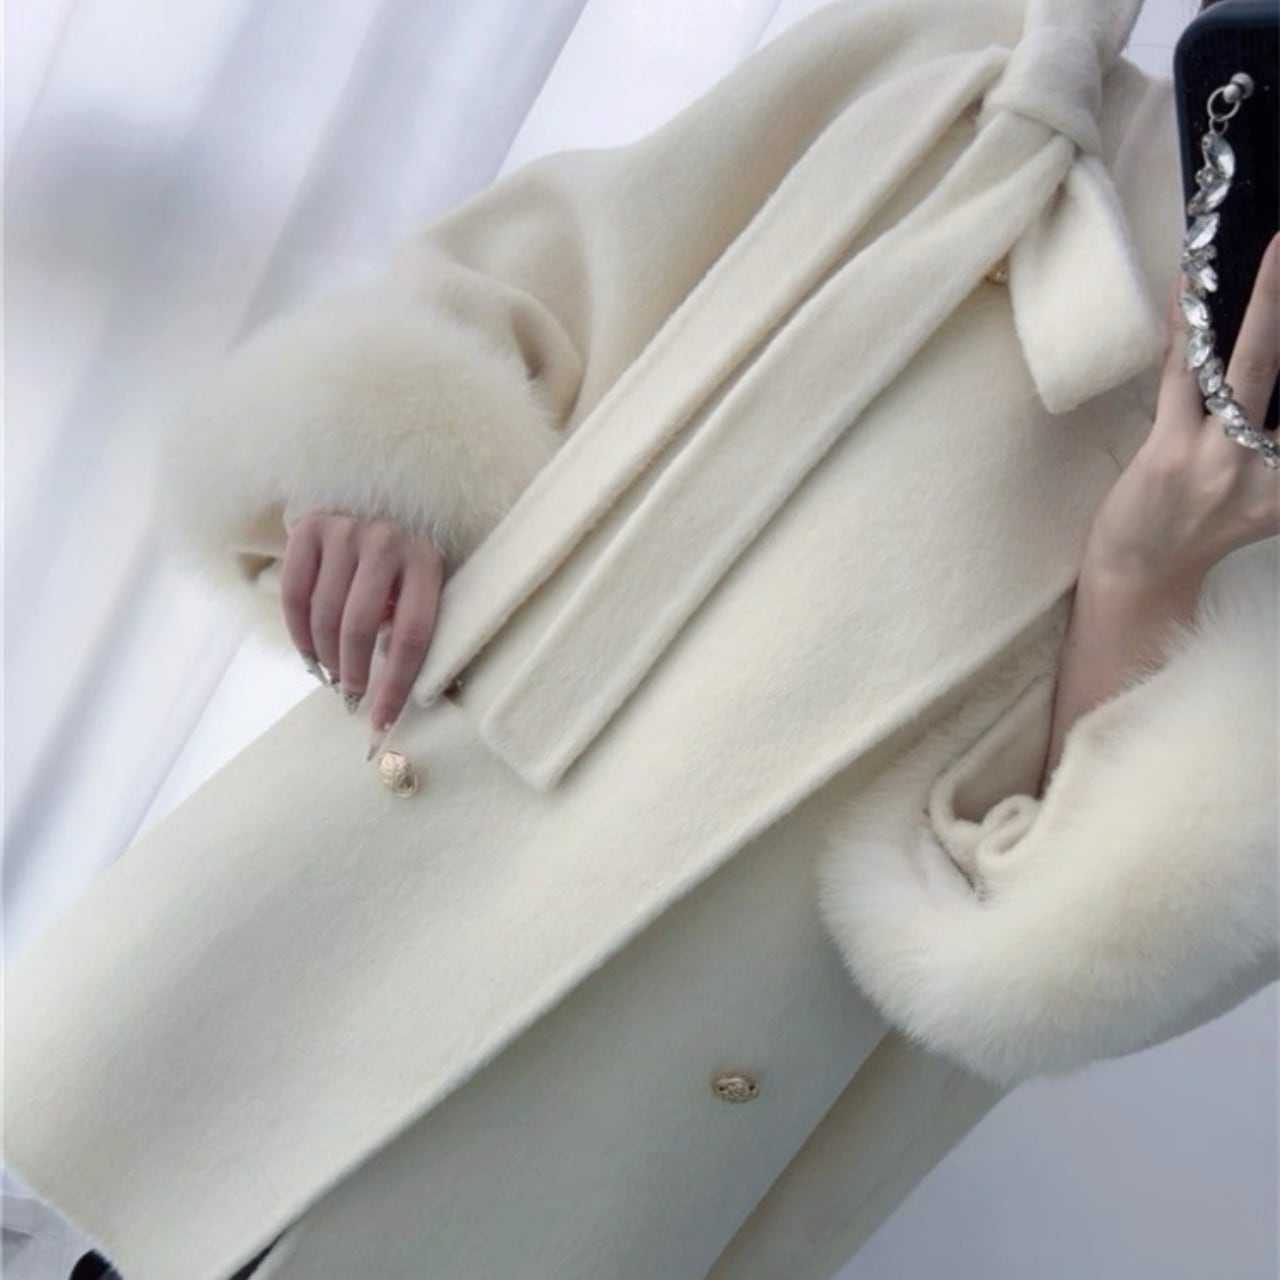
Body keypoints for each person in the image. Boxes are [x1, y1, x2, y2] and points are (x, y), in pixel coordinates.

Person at [9, 0, 1276, 1277]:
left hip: (624, 1129)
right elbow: (548, 284)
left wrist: (1141, 576)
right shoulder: (973, 72)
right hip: (387, 887)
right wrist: (384, 469)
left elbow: (1042, 961)